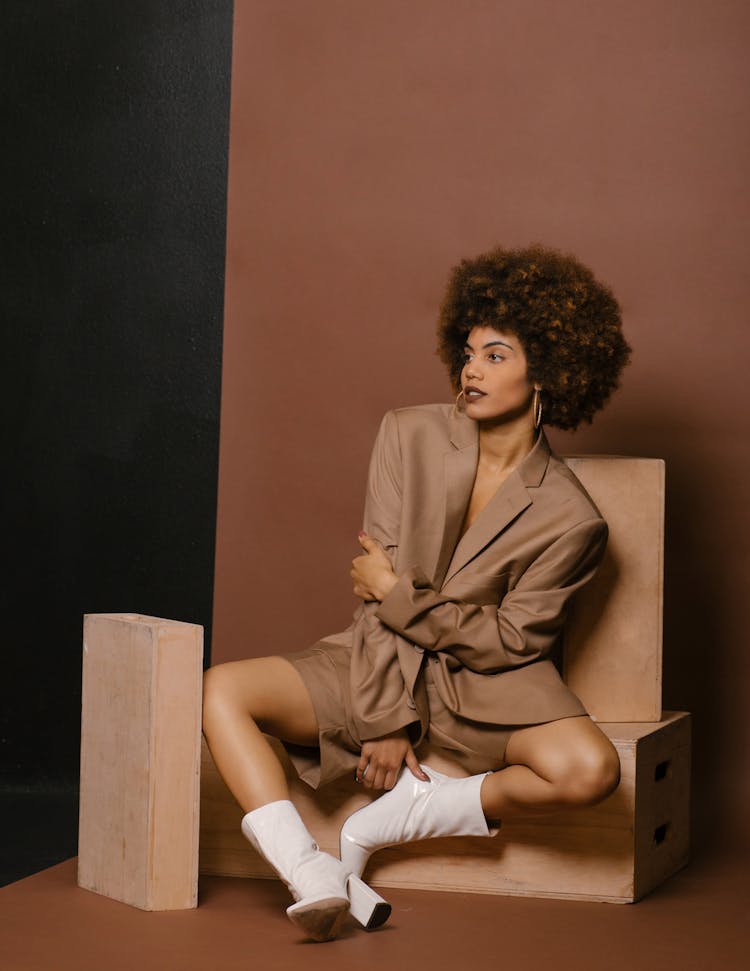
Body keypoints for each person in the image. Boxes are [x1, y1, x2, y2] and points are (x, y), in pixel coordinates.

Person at [202, 244, 631, 941]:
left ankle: (412, 810)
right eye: (468, 351)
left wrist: (400, 593)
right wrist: (388, 716)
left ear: (548, 370)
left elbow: (512, 641)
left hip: (482, 694)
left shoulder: (573, 517)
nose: (471, 368)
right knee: (221, 688)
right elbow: (376, 595)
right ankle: (310, 872)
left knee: (591, 768)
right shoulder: (408, 433)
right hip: (374, 665)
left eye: (496, 354)